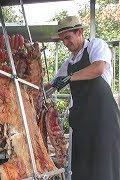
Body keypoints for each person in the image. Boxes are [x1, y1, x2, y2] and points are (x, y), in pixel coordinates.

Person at [51, 16, 120, 180]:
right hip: (82, 122)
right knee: (82, 167)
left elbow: (98, 69)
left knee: (104, 166)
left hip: (103, 119)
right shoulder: (69, 62)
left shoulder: (96, 45)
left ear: (80, 32)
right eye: (63, 40)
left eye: (68, 38)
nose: (66, 43)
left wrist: (70, 78)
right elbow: (53, 84)